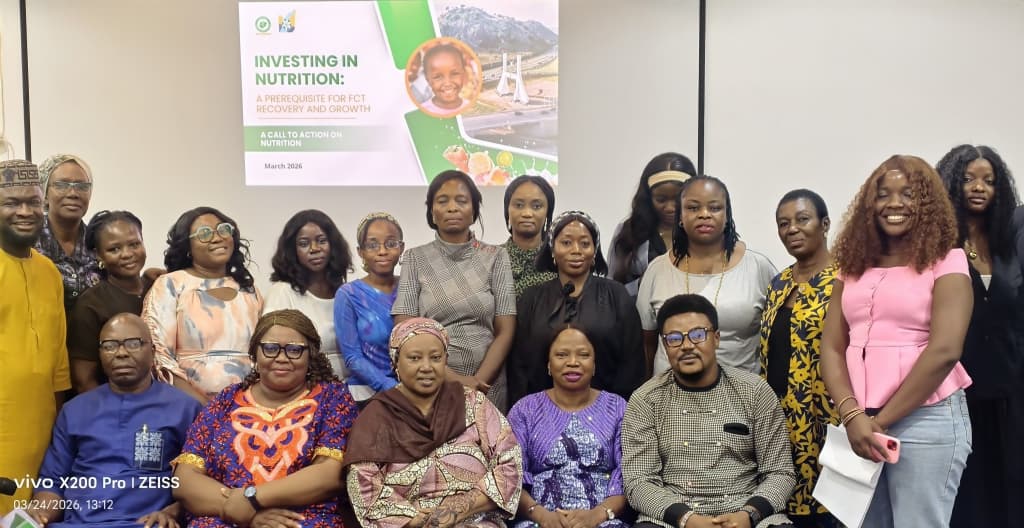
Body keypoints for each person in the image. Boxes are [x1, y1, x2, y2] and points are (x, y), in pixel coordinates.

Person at [821, 155, 973, 527]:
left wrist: (878, 423)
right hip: (858, 419)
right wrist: (854, 417)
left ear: (927, 203)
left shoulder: (948, 260)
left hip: (926, 420)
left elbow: (945, 350)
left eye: (908, 194)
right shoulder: (851, 265)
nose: (894, 203)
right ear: (869, 204)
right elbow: (832, 348)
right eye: (883, 194)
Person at [623, 294, 796, 528]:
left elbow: (780, 473)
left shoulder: (754, 391)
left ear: (716, 338)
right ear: (665, 346)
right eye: (674, 338)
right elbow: (639, 481)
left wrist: (749, 514)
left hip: (746, 512)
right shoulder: (646, 399)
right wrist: (688, 519)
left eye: (697, 335)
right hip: (673, 517)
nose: (686, 346)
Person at [172, 309, 357, 528]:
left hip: (302, 517)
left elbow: (329, 474)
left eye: (294, 350)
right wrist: (240, 511)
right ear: (254, 354)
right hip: (225, 516)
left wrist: (252, 497)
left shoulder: (333, 399)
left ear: (311, 355)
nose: (281, 358)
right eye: (270, 348)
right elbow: (184, 479)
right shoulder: (225, 401)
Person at [344, 317, 523, 528]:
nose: (426, 367)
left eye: (436, 357)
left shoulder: (472, 402)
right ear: (396, 363)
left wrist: (458, 508)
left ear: (445, 361)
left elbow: (509, 462)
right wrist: (420, 521)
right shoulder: (376, 417)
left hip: (477, 521)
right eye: (414, 358)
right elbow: (364, 487)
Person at [28, 313, 202, 528]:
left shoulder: (186, 409)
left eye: (133, 344)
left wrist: (173, 512)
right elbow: (52, 482)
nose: (121, 353)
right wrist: (39, 513)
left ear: (153, 352)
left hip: (148, 524)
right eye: (110, 346)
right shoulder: (74, 410)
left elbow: (202, 480)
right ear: (100, 354)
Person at [936, 145, 1023, 527]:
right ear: (952, 185)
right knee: (965, 496)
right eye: (969, 179)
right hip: (957, 394)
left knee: (1010, 491)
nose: (979, 187)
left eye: (989, 181)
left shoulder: (1010, 246)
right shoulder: (939, 247)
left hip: (1010, 394)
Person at [392, 170, 516, 410]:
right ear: (432, 212)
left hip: (489, 385)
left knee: (491, 446)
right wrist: (456, 380)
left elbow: (506, 330)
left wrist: (479, 382)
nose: (452, 208)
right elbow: (404, 330)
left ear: (474, 211)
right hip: (430, 381)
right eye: (442, 201)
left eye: (461, 201)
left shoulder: (497, 257)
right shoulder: (415, 258)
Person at [637, 175, 776, 377]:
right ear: (680, 217)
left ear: (727, 215)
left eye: (714, 208)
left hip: (741, 397)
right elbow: (647, 343)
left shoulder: (758, 267)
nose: (704, 214)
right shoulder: (657, 270)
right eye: (693, 208)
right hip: (670, 395)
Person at [757, 190, 838, 528]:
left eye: (802, 219)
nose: (792, 229)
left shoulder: (848, 279)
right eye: (783, 223)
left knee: (833, 510)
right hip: (781, 419)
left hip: (829, 417)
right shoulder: (779, 283)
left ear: (825, 224)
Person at [507, 210, 644, 406]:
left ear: (595, 250)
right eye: (566, 242)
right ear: (552, 249)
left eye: (585, 243)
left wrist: (621, 411)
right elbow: (518, 366)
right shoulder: (532, 298)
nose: (576, 250)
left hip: (608, 413)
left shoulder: (617, 295)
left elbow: (632, 362)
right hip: (540, 413)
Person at [0, 159, 71, 514]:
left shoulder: (49, 272)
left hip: (41, 435)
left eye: (33, 202)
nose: (25, 212)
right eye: (11, 203)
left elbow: (58, 364)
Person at [508, 325, 629, 528]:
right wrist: (543, 517)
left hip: (603, 521)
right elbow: (509, 476)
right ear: (548, 364)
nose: (572, 363)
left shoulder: (618, 407)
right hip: (537, 519)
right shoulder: (525, 409)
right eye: (561, 355)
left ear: (594, 364)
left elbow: (628, 474)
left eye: (583, 355)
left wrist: (597, 515)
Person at [143, 206, 262, 404]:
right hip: (188, 407)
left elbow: (263, 354)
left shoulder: (248, 289)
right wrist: (203, 407)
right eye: (204, 234)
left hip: (249, 407)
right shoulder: (171, 284)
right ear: (187, 248)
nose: (217, 238)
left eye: (223, 229)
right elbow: (159, 356)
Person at [68, 210, 152, 393]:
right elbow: (83, 380)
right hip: (116, 408)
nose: (127, 254)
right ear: (98, 255)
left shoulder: (160, 287)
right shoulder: (91, 305)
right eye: (114, 249)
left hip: (168, 403)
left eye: (134, 244)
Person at [265, 209, 352, 379]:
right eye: (304, 244)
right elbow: (272, 349)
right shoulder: (282, 292)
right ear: (292, 250)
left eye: (321, 241)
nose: (314, 249)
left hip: (355, 387)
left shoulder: (348, 292)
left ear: (333, 245)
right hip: (305, 385)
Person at [335, 212, 404, 404]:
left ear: (402, 248)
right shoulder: (348, 294)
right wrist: (392, 388)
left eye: (391, 243)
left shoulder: (410, 287)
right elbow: (352, 357)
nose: (382, 251)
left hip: (414, 390)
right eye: (372, 245)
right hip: (365, 394)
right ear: (360, 252)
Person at [608, 153, 696, 297]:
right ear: (648, 197)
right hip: (638, 316)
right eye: (661, 199)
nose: (670, 207)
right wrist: (643, 283)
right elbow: (611, 290)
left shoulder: (703, 230)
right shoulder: (629, 230)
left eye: (677, 199)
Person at [34, 153, 100, 313]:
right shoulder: (28, 241)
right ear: (44, 194)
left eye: (82, 186)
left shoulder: (99, 241)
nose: (73, 193)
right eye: (62, 185)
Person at [501, 175, 557, 297]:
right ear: (507, 210)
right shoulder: (492, 259)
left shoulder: (557, 263)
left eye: (537, 206)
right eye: (519, 205)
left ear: (548, 212)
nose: (527, 213)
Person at [419, 43, 472, 116]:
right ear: (428, 80)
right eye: (437, 77)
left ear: (463, 74)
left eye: (455, 74)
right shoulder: (422, 111)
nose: (447, 83)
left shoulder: (470, 107)